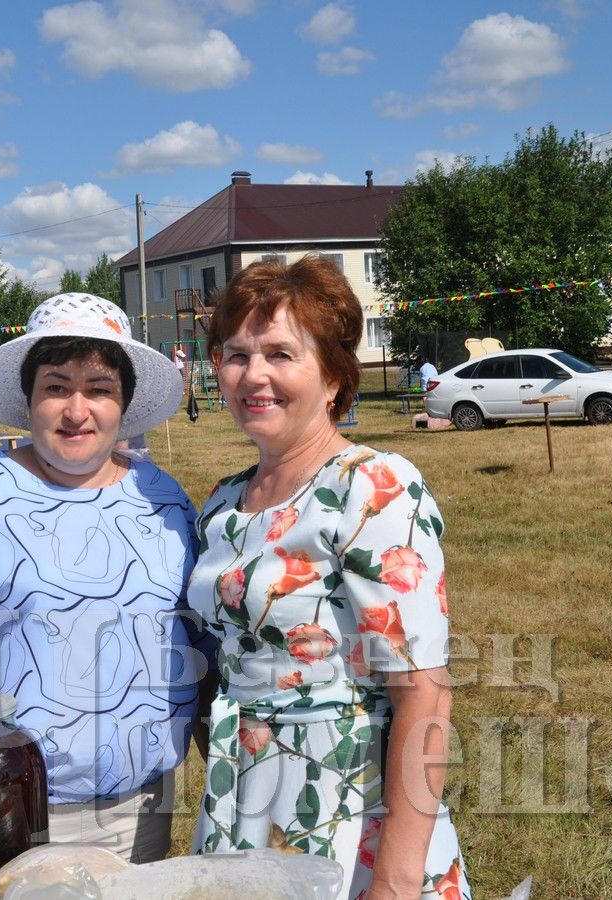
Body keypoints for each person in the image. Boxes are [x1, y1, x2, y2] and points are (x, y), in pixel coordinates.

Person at [0, 292, 205, 863]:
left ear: (123, 403)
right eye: (56, 386)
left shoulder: (163, 499)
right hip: (5, 810)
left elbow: (198, 643)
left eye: (99, 389)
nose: (77, 410)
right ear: (29, 400)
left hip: (142, 809)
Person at [189, 256, 470, 900]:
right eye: (236, 355)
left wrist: (395, 883)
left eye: (281, 354)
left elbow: (424, 696)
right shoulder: (224, 501)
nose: (253, 375)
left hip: (347, 805)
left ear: (334, 376)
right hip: (239, 798)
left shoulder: (370, 488)